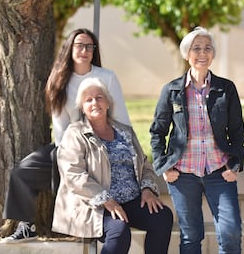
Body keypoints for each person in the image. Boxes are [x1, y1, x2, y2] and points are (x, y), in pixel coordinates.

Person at [1, 28, 131, 243]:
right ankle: (27, 225)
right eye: (79, 45)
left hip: (102, 145)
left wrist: (123, 145)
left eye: (89, 46)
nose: (84, 50)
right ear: (70, 49)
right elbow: (60, 123)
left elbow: (121, 116)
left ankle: (81, 224)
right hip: (70, 144)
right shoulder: (60, 79)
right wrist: (66, 152)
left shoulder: (106, 77)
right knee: (22, 172)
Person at [150, 26, 244, 254]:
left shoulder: (226, 88)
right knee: (190, 237)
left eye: (208, 48)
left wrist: (235, 164)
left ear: (213, 53)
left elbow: (237, 130)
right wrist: (164, 166)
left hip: (218, 171)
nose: (203, 53)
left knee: (231, 233)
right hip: (183, 174)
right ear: (186, 54)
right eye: (197, 48)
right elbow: (157, 132)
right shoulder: (172, 90)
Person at [52, 77, 173, 254]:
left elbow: (144, 165)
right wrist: (107, 200)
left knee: (162, 217)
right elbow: (73, 173)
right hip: (94, 205)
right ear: (82, 108)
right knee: (119, 230)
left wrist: (147, 190)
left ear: (108, 102)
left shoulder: (124, 131)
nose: (95, 102)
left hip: (132, 200)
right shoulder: (75, 133)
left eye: (99, 97)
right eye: (88, 99)